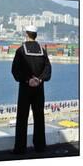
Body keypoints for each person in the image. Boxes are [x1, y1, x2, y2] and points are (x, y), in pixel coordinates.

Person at [11, 25, 51, 154]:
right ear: (36, 35)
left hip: (25, 88)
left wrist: (28, 80)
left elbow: (15, 70)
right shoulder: (42, 51)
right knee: (39, 117)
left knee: (22, 117)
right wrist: (39, 80)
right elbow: (48, 70)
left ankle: (20, 148)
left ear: (26, 35)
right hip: (39, 89)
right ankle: (40, 147)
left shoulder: (20, 50)